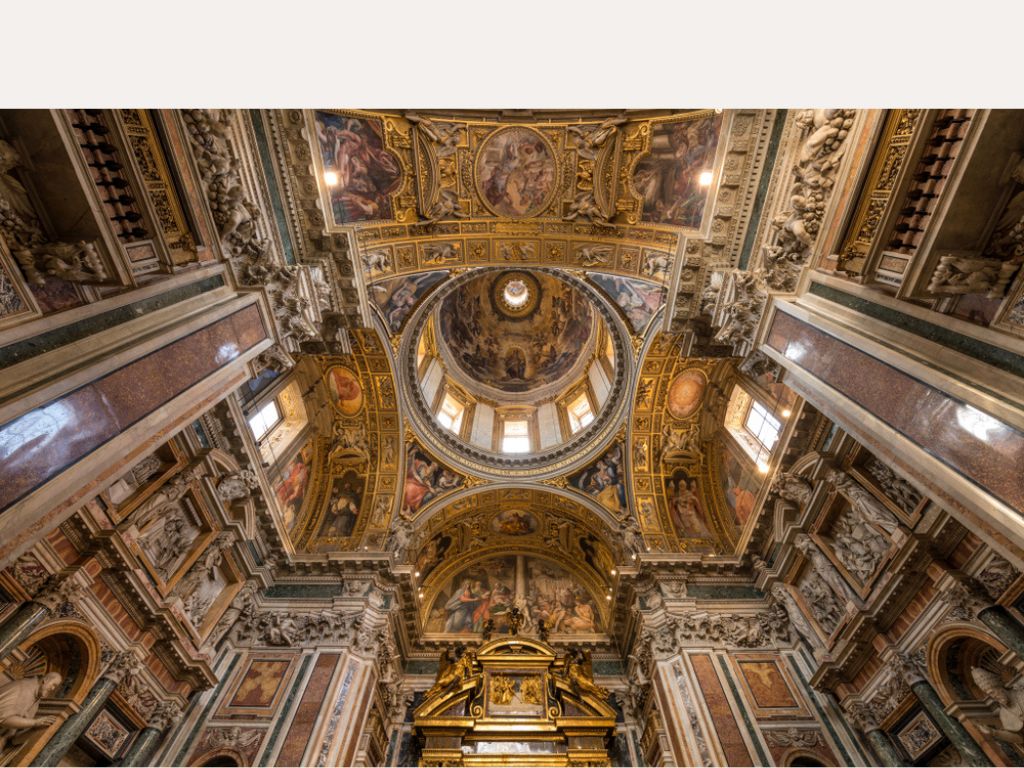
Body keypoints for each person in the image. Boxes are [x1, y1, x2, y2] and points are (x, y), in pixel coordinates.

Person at [0, 672, 62, 753]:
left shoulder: (36, 699)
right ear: (45, 680)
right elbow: (4, 719)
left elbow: (17, 731)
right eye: (53, 684)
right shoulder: (23, 688)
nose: (53, 689)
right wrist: (35, 722)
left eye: (55, 687)